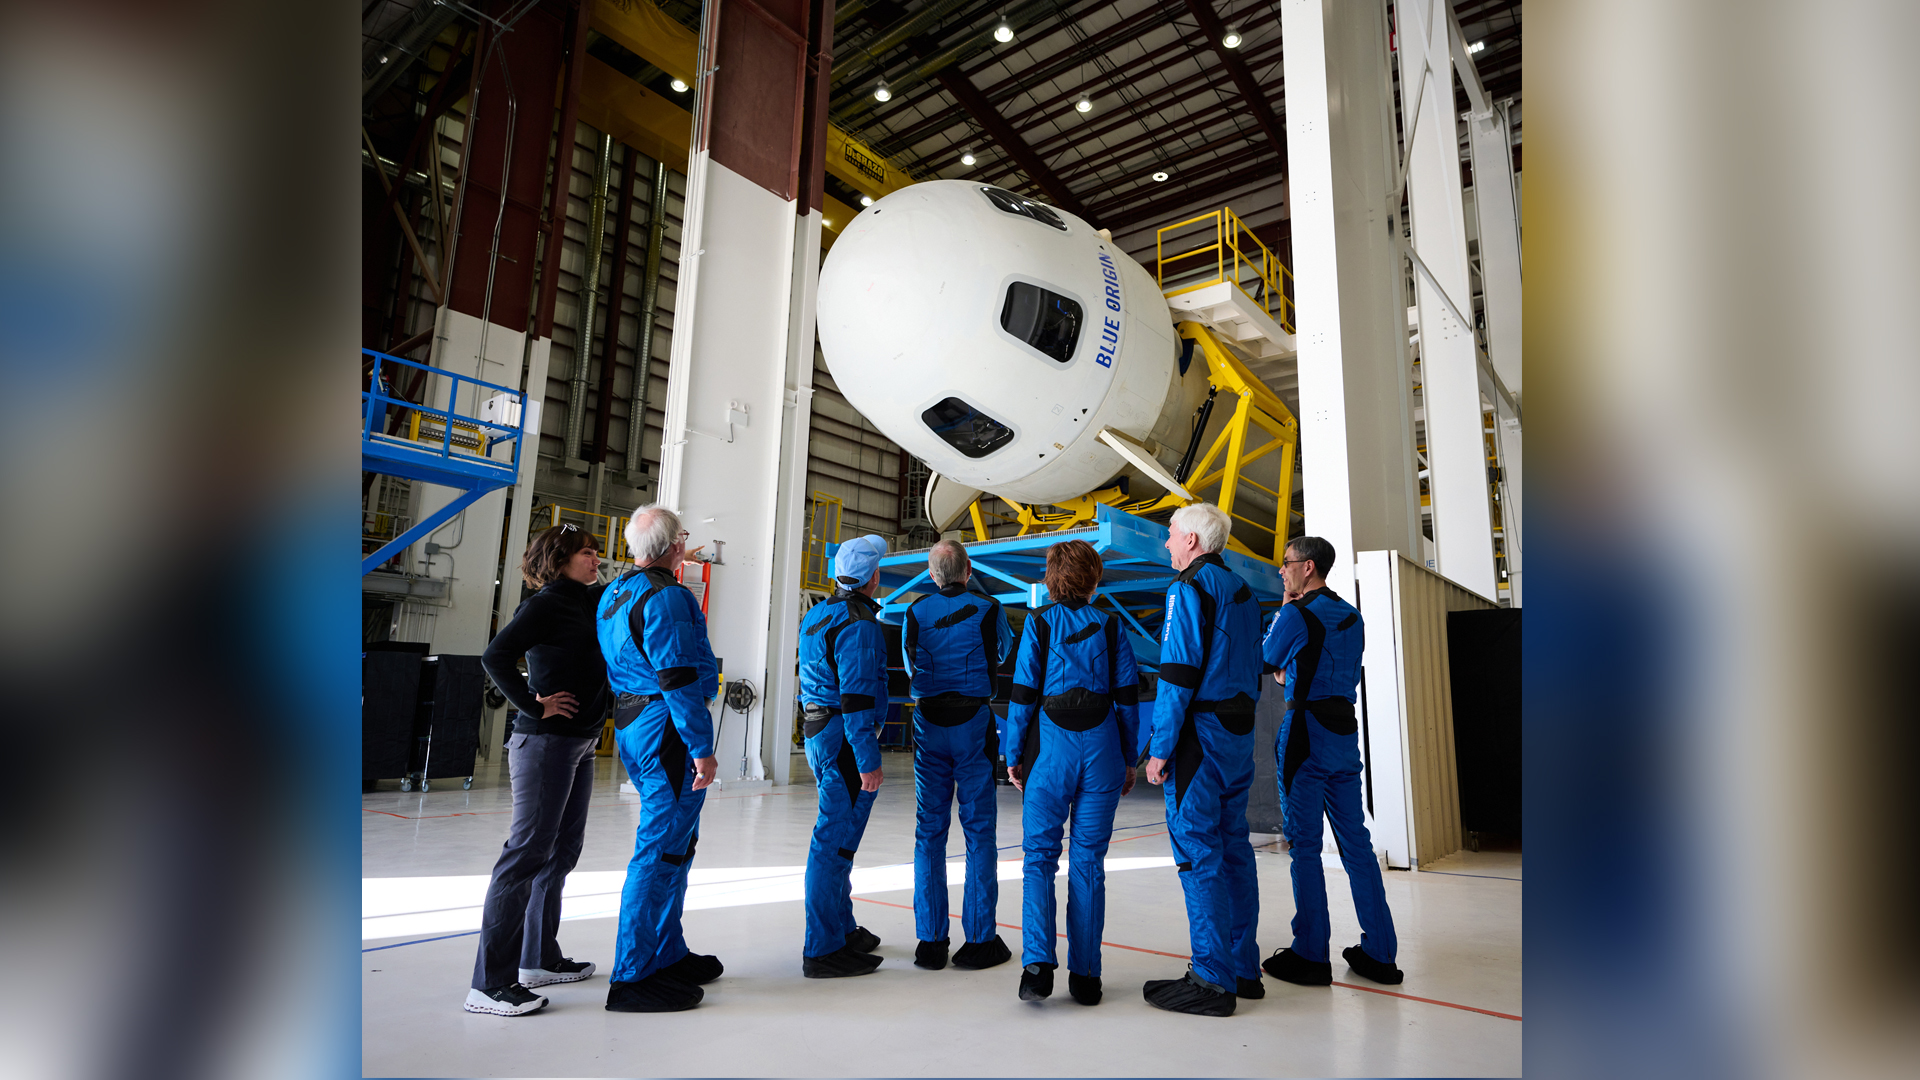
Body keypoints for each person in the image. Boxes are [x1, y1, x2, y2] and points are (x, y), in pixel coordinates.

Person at [464, 524, 610, 1016]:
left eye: (596, 552)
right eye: (587, 553)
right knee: (526, 855)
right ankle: (489, 985)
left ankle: (539, 959)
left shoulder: (591, 600)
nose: (596, 560)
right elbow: (495, 655)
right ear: (559, 558)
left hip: (581, 743)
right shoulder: (546, 604)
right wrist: (532, 702)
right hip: (545, 743)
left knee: (560, 853)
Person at [595, 506, 724, 1012]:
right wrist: (702, 748)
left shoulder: (615, 592)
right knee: (657, 848)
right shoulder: (667, 596)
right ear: (674, 546)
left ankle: (665, 952)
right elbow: (676, 676)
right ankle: (631, 974)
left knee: (676, 846)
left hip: (634, 721)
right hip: (666, 729)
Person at [1259, 535, 1402, 987]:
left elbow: (1266, 659)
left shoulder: (1298, 614)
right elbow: (1312, 663)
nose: (1282, 571)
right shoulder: (1351, 615)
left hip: (1304, 735)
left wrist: (1285, 606)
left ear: (1308, 567)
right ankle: (1380, 953)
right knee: (1356, 844)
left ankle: (1310, 953)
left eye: (1287, 565)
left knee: (1304, 845)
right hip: (1343, 733)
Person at [1004, 539, 1140, 1006]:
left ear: (1051, 577)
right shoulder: (1112, 626)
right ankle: (1086, 977)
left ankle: (1037, 967)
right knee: (1088, 863)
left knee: (1039, 858)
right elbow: (1127, 698)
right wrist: (1128, 758)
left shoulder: (1039, 624)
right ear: (1094, 578)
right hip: (1102, 750)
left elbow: (1023, 694)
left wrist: (1012, 753)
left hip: (1050, 753)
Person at [1141, 503, 1265, 1017]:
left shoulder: (1187, 590)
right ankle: (1243, 968)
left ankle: (1211, 979)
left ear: (1192, 540)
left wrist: (1160, 747)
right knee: (1234, 847)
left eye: (1170, 535)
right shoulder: (1244, 592)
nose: (1166, 544)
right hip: (1238, 734)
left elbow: (1178, 675)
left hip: (1200, 739)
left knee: (1197, 852)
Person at [902, 540, 1014, 972]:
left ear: (933, 575)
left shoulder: (914, 612)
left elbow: (911, 665)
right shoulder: (990, 608)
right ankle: (980, 940)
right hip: (973, 723)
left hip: (928, 724)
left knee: (928, 831)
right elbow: (1001, 653)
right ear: (968, 571)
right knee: (979, 831)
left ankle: (930, 943)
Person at [796, 533, 891, 977]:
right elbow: (855, 699)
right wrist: (868, 758)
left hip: (819, 729)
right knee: (832, 841)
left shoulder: (817, 614)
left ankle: (841, 927)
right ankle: (822, 947)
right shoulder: (859, 623)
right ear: (874, 576)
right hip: (842, 737)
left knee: (841, 839)